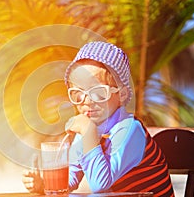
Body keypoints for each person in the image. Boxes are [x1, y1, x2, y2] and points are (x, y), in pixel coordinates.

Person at [22, 41, 174, 196]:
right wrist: (44, 185)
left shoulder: (130, 130)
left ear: (121, 95)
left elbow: (99, 184)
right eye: (78, 94)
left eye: (99, 92)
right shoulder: (87, 131)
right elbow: (70, 180)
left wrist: (89, 133)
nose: (87, 101)